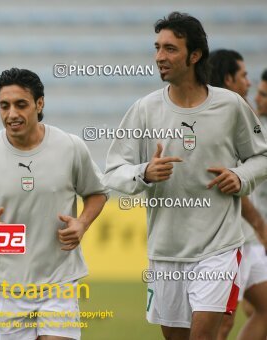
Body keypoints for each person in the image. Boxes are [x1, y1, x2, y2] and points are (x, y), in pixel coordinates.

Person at [102, 12, 267, 340]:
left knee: (205, 336)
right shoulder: (144, 109)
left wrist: (240, 175)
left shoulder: (231, 106)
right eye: (157, 48)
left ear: (195, 55)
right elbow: (112, 173)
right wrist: (144, 172)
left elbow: (261, 156)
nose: (160, 57)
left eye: (170, 49)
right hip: (166, 252)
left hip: (218, 248)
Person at [0, 68, 108, 340]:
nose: (11, 114)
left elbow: (97, 192)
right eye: (4, 106)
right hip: (9, 286)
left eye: (21, 104)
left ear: (39, 104)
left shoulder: (70, 147)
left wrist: (82, 223)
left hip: (59, 283)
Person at [208, 50, 267, 340]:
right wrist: (259, 225)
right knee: (222, 323)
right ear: (228, 79)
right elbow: (229, 183)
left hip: (248, 240)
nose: (249, 82)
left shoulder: (242, 119)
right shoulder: (221, 121)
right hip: (232, 240)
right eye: (243, 75)